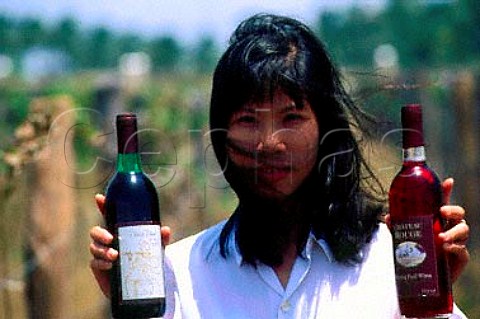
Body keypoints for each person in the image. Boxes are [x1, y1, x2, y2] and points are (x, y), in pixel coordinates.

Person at [89, 13, 470, 318]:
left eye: (291, 118)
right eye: (248, 120)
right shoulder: (180, 274)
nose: (269, 143)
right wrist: (126, 302)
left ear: (326, 128)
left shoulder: (393, 260)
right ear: (221, 135)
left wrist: (433, 304)